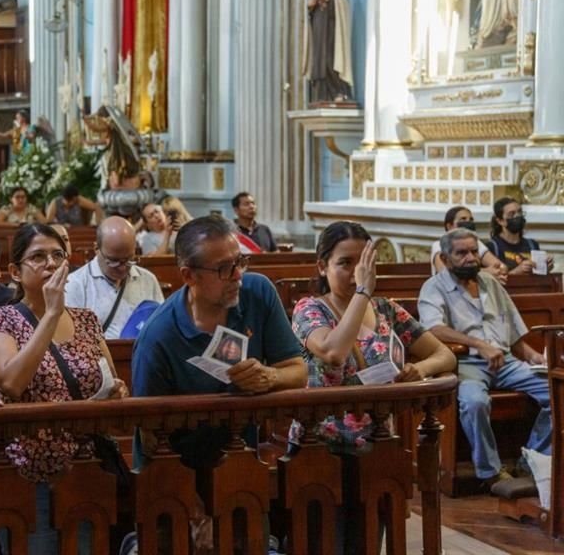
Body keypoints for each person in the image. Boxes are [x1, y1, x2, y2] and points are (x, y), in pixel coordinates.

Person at [290, 221, 454, 552]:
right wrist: (363, 292)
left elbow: (444, 355)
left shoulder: (385, 310)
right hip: (321, 446)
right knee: (326, 544)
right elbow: (333, 352)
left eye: (361, 264)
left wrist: (416, 369)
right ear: (322, 266)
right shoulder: (310, 309)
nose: (354, 274)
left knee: (367, 544)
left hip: (376, 444)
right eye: (344, 264)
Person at [0, 223, 126, 554]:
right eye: (38, 257)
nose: (51, 264)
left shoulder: (86, 320)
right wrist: (51, 314)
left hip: (87, 470)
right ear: (15, 271)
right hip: (28, 475)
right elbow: (12, 383)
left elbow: (108, 381)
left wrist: (115, 392)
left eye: (58, 255)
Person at [132, 216, 307, 466]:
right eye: (224, 268)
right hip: (178, 466)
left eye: (240, 262)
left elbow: (298, 372)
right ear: (189, 276)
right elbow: (147, 431)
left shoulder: (258, 293)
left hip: (243, 459)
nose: (238, 275)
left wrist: (269, 377)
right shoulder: (158, 336)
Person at [418, 227, 551, 491]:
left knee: (557, 389)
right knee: (475, 402)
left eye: (474, 252)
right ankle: (490, 471)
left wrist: (534, 356)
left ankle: (532, 459)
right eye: (461, 253)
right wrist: (480, 344)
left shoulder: (490, 283)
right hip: (466, 364)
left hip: (507, 361)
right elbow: (433, 329)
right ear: (445, 259)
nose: (470, 258)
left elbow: (513, 332)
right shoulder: (434, 288)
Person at [64, 216, 164, 339]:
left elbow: (162, 326)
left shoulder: (148, 279)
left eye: (129, 259)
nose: (122, 268)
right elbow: (72, 340)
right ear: (96, 249)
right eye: (113, 261)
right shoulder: (75, 284)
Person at [303, 0, 353, 104]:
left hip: (332, 30)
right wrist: (311, 7)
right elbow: (315, 5)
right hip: (320, 30)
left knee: (331, 59)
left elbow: (341, 4)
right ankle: (324, 94)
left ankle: (340, 91)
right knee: (320, 62)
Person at [431, 206, 505, 280]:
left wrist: (495, 271)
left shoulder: (477, 243)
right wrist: (485, 273)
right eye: (463, 219)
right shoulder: (438, 245)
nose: (468, 222)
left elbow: (501, 267)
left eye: (471, 219)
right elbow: (444, 271)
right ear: (449, 226)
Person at [486, 197, 552, 274]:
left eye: (519, 212)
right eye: (511, 214)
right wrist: (517, 271)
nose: (517, 216)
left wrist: (545, 268)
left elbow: (538, 276)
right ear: (500, 221)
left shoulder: (532, 245)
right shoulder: (492, 246)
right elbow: (492, 280)